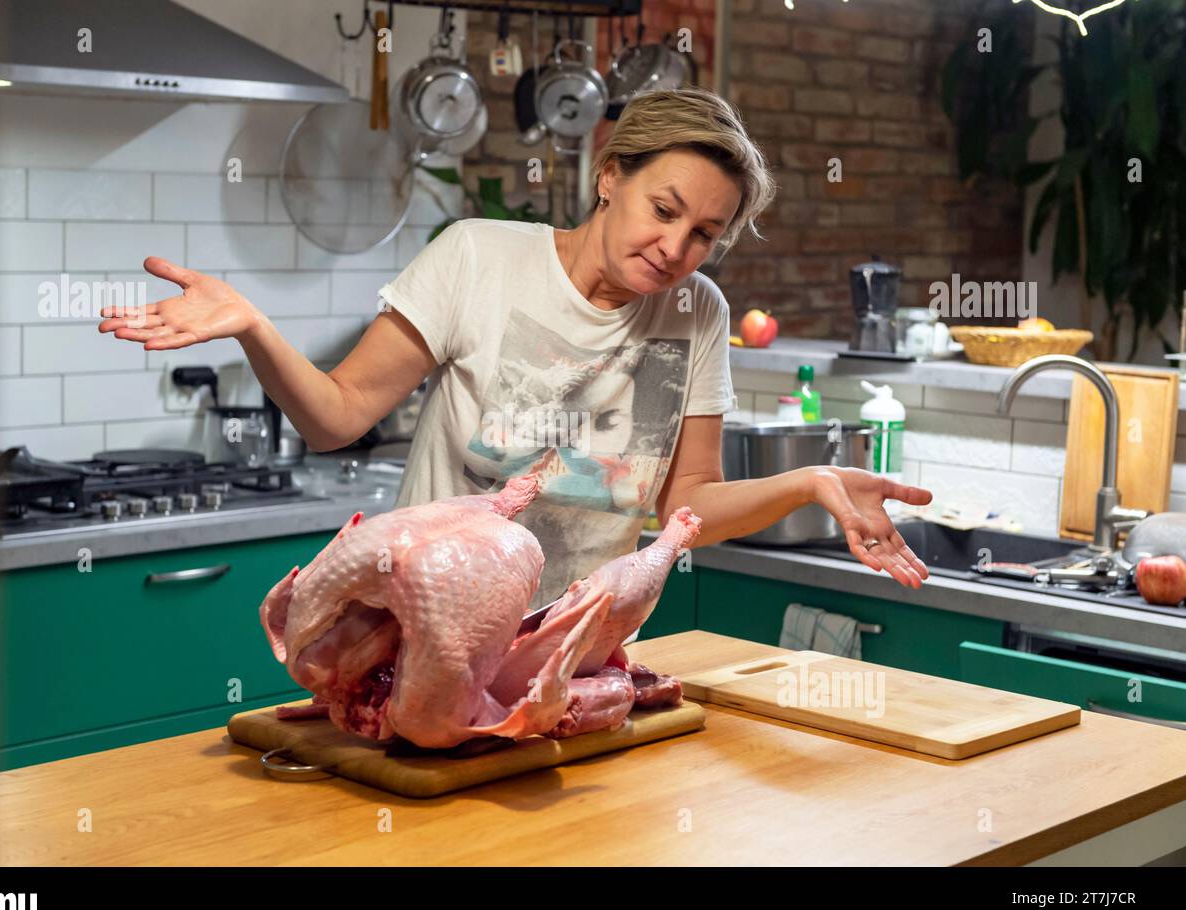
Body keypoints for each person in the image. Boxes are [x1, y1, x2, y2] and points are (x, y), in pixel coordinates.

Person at [99, 87, 931, 608]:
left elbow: (688, 511)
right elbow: (336, 417)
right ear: (611, 177)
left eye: (705, 233)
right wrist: (255, 326)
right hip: (421, 634)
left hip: (564, 659)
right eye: (664, 208)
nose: (677, 247)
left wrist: (811, 483)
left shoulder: (695, 312)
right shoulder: (478, 259)